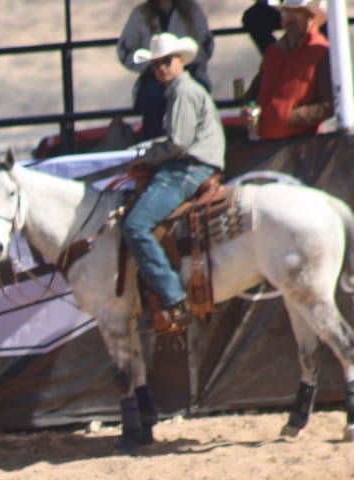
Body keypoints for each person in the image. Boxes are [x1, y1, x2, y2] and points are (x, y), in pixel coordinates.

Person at [123, 33, 225, 333]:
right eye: (156, 64)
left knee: (135, 226)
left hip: (188, 168)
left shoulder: (183, 92)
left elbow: (179, 142)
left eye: (167, 62)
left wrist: (149, 156)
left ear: (181, 61)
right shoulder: (182, 90)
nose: (161, 68)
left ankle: (173, 296)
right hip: (193, 164)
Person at [117, 1, 214, 140]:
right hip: (154, 77)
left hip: (189, 72)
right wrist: (152, 66)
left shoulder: (192, 10)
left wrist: (184, 63)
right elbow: (125, 50)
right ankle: (153, 141)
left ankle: (199, 139)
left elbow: (206, 45)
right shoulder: (141, 14)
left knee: (196, 90)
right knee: (152, 94)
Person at [243, 0, 333, 140]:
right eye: (286, 13)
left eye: (297, 12)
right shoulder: (273, 52)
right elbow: (254, 92)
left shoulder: (321, 52)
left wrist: (290, 117)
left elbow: (328, 105)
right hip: (265, 141)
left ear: (311, 16)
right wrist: (248, 109)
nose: (290, 18)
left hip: (300, 143)